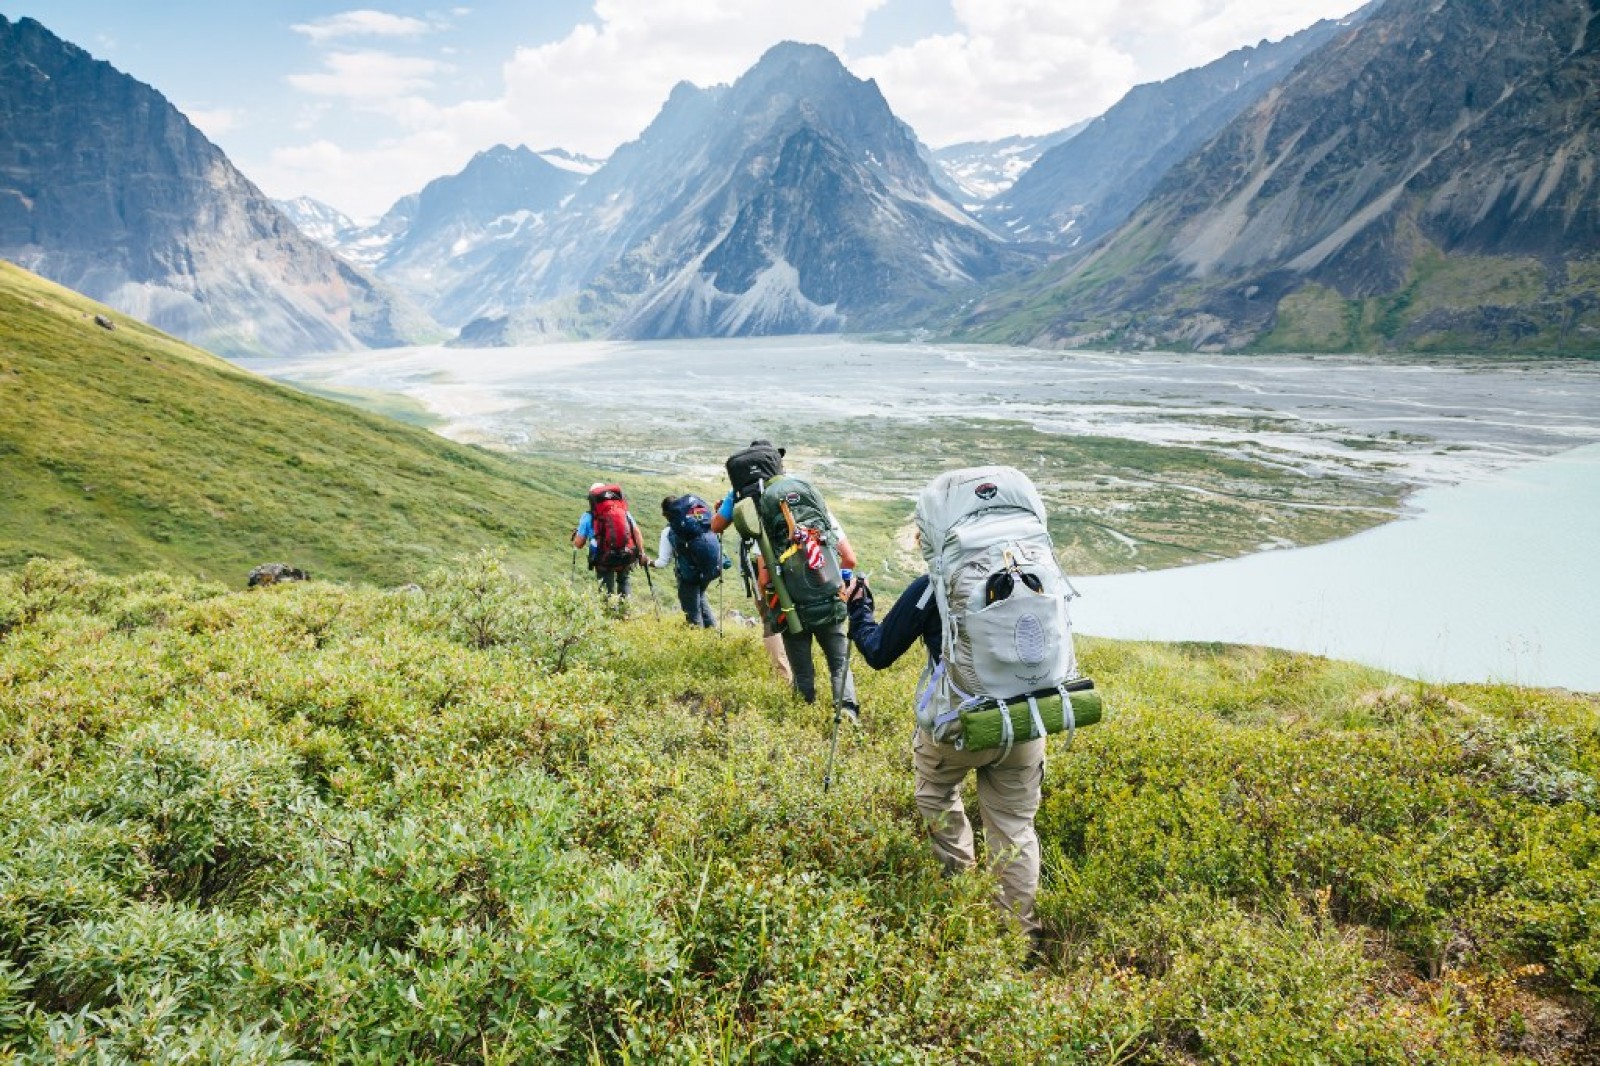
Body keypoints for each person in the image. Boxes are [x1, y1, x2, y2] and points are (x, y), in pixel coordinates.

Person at [844, 570, 1046, 951]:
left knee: (936, 793)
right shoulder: (1035, 578)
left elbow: (878, 652)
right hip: (1025, 724)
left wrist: (858, 609)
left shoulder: (936, 585)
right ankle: (1021, 942)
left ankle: (964, 898)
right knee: (1016, 828)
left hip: (958, 727)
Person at [712, 441, 857, 714]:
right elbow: (849, 558)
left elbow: (765, 579)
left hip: (792, 607)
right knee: (839, 662)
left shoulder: (759, 515)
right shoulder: (811, 500)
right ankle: (847, 710)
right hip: (828, 595)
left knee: (802, 672)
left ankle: (802, 716)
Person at [654, 495, 723, 627]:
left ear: (667, 514)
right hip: (708, 570)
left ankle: (698, 642)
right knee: (701, 598)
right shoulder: (698, 522)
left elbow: (662, 562)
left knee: (692, 612)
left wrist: (649, 562)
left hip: (689, 575)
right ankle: (712, 633)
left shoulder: (670, 530)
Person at [571, 482, 647, 597]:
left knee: (606, 588)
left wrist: (576, 537)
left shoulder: (588, 516)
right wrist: (641, 553)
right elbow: (636, 532)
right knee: (624, 580)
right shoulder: (624, 513)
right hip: (625, 554)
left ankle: (608, 612)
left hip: (603, 558)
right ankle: (625, 612)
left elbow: (579, 544)